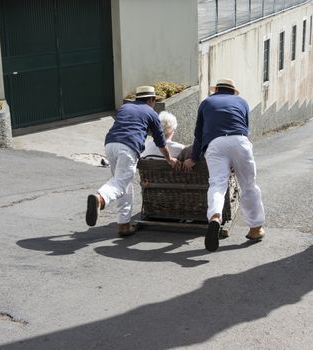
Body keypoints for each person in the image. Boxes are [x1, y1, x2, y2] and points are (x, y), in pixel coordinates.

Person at [183, 78, 265, 252]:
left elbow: (198, 134)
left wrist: (194, 158)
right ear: (232, 91)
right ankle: (256, 228)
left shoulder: (206, 103)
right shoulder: (242, 102)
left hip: (215, 144)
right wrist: (236, 159)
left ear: (216, 90)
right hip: (239, 141)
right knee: (249, 185)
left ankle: (215, 216)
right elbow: (245, 128)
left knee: (217, 184)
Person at [86, 86, 178, 236]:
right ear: (151, 99)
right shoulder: (151, 113)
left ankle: (124, 224)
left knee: (123, 183)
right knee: (121, 183)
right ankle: (100, 198)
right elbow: (160, 141)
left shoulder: (125, 107)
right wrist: (169, 158)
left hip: (110, 144)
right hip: (128, 146)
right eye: (154, 100)